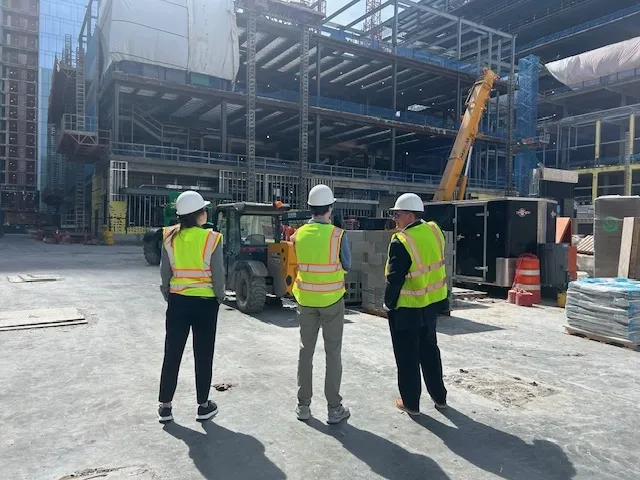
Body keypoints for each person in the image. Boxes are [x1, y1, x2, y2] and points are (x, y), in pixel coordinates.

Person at [158, 190, 225, 424]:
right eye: (204, 210)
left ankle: (165, 407)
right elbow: (218, 274)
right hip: (206, 304)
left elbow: (164, 272)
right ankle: (203, 406)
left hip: (177, 302)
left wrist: (170, 295)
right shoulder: (212, 238)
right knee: (203, 353)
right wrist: (219, 297)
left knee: (172, 352)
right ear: (199, 215)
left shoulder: (169, 237)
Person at [383, 192, 448, 416]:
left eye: (397, 215)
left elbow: (395, 278)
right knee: (430, 350)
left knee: (407, 357)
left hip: (407, 308)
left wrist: (388, 304)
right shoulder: (434, 230)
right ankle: (440, 397)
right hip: (431, 304)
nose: (395, 219)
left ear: (410, 215)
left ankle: (411, 403)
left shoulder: (402, 241)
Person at [291, 184, 352, 424]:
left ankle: (303, 406)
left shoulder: (298, 234)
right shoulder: (338, 235)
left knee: (306, 351)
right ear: (330, 208)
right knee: (332, 353)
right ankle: (334, 408)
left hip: (305, 300)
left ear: (310, 208)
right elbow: (346, 265)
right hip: (332, 300)